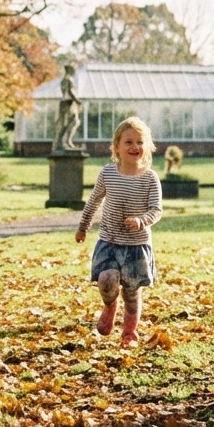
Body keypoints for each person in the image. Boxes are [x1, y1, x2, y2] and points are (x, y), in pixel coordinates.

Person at [74, 117, 163, 347]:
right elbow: (93, 201)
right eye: (128, 142)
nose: (135, 147)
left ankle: (129, 335)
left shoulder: (150, 178)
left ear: (148, 146)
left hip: (136, 247)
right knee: (106, 279)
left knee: (132, 294)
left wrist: (141, 221)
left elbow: (156, 209)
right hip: (109, 242)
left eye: (140, 142)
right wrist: (83, 226)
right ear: (116, 147)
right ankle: (109, 306)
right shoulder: (108, 174)